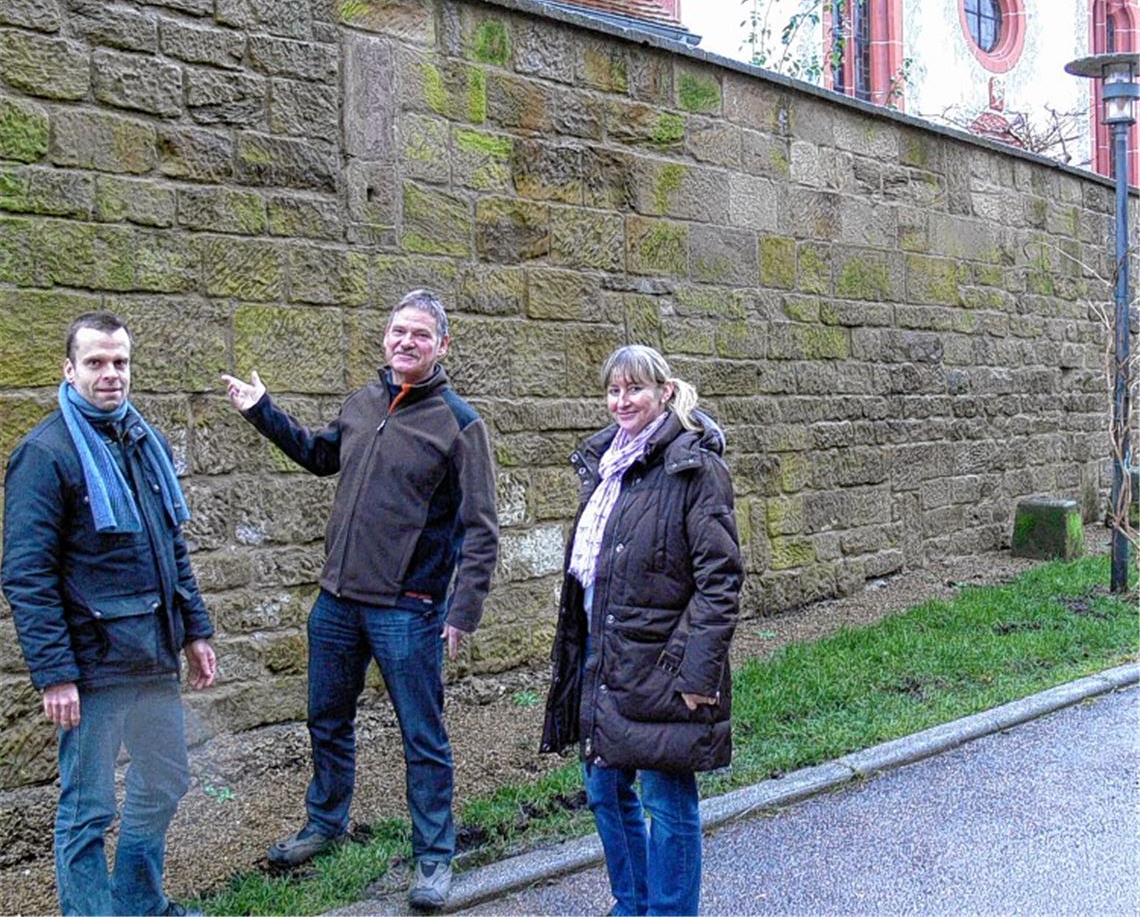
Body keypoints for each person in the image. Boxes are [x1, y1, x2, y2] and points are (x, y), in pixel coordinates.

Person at [220, 288, 498, 911]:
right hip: (337, 603)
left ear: (442, 346)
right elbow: (321, 457)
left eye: (420, 335)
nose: (406, 341)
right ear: (385, 337)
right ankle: (325, 823)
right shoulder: (362, 402)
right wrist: (263, 409)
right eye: (398, 330)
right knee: (327, 719)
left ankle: (433, 858)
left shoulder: (460, 424)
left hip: (409, 608)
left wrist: (463, 609)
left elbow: (482, 527)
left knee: (422, 736)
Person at [1, 311, 218, 917]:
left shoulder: (143, 440)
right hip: (92, 670)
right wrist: (55, 674)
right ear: (69, 371)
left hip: (153, 655)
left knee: (167, 780)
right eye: (95, 362)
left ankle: (140, 904)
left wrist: (196, 629)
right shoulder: (45, 454)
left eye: (120, 362)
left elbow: (171, 546)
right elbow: (27, 576)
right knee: (87, 810)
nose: (110, 374)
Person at [541, 344, 742, 916]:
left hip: (664, 664)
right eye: (613, 390)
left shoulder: (694, 467)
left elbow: (720, 579)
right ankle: (633, 904)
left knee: (667, 800)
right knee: (605, 789)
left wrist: (696, 674)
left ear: (665, 392)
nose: (622, 400)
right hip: (603, 656)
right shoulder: (607, 462)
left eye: (635, 389)